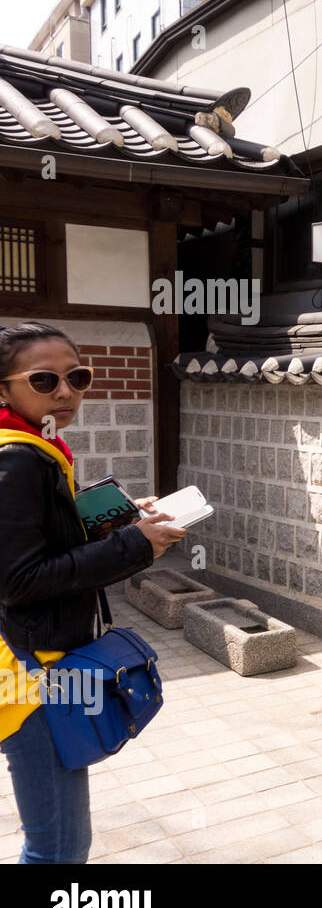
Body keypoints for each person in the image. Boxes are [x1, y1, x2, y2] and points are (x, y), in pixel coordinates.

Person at [0, 323, 186, 863]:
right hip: (26, 673)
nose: (65, 391)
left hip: (39, 661)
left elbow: (48, 536)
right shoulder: (15, 460)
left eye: (77, 377)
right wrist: (135, 547)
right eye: (43, 379)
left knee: (60, 840)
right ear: (5, 388)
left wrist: (123, 522)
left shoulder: (41, 443)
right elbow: (18, 581)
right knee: (57, 847)